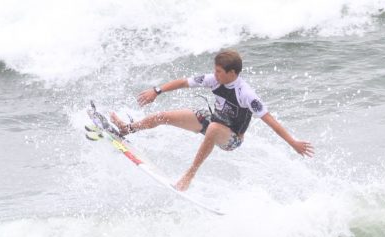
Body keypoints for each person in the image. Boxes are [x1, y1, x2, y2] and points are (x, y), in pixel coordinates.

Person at [110, 49, 314, 191]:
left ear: (232, 73)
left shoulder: (246, 95)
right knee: (164, 116)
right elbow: (184, 82)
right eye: (214, 70)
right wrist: (157, 90)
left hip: (232, 138)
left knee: (215, 128)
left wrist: (293, 143)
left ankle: (189, 175)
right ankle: (127, 128)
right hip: (213, 120)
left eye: (219, 71)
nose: (214, 74)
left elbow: (272, 122)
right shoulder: (214, 79)